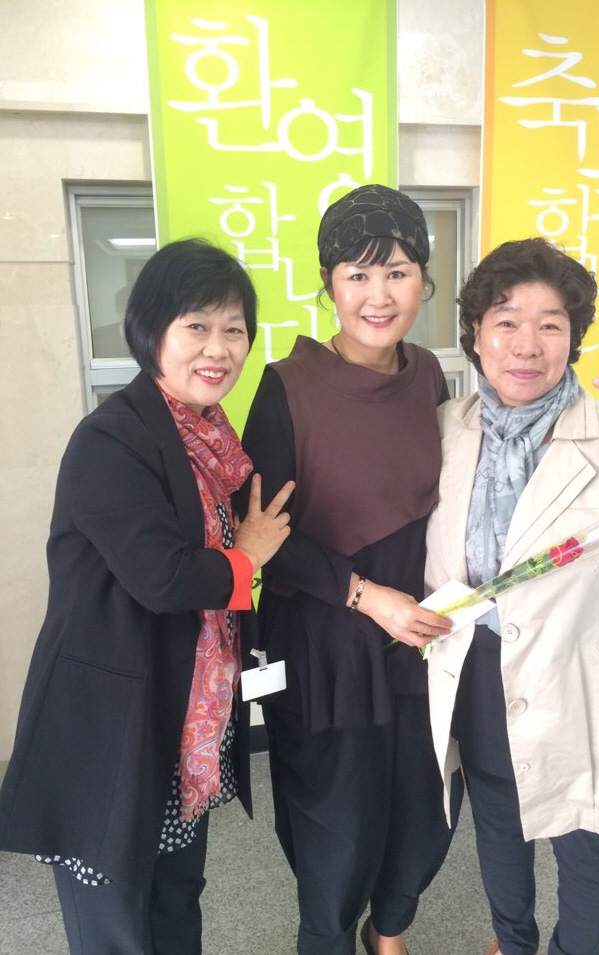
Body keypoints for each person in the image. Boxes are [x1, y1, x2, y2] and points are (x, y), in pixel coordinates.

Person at [0, 238, 294, 955]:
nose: (218, 348)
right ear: (150, 331)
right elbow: (162, 577)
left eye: (234, 329)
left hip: (180, 723)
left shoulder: (212, 441)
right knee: (116, 924)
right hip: (110, 727)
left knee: (174, 900)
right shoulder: (111, 438)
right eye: (196, 325)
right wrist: (248, 556)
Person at [424, 236, 599, 955]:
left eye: (550, 324)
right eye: (506, 321)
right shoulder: (446, 428)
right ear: (476, 334)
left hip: (583, 683)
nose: (527, 344)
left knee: (587, 851)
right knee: (498, 828)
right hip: (479, 674)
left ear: (573, 338)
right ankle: (513, 944)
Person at [240, 184, 461, 955]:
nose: (379, 294)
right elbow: (264, 535)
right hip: (326, 637)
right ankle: (329, 937)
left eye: (397, 272)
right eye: (358, 274)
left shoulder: (429, 374)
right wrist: (370, 597)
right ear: (327, 283)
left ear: (424, 279)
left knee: (426, 811)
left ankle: (387, 930)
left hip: (420, 636)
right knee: (336, 829)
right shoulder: (286, 385)